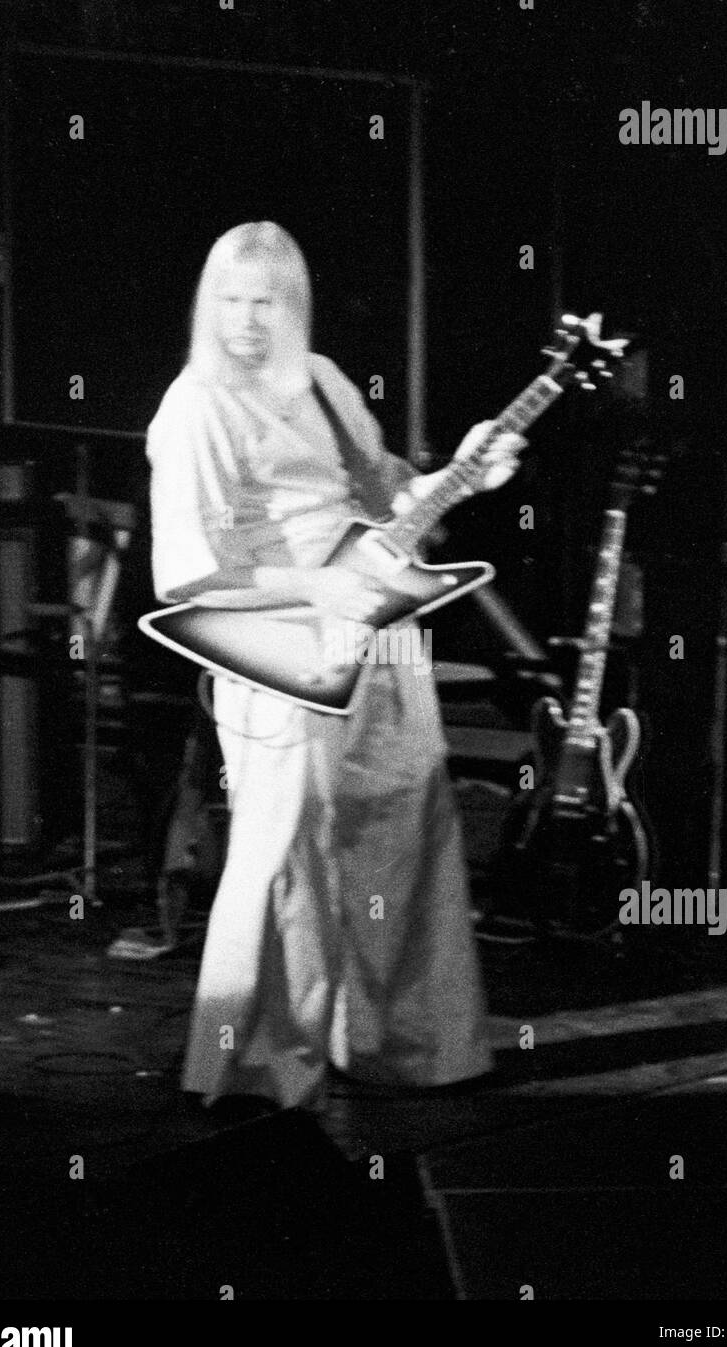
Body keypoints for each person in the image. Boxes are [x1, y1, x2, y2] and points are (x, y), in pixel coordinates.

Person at [147, 222, 525, 1112]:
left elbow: (391, 493)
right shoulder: (195, 405)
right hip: (280, 636)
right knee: (288, 842)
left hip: (379, 627)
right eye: (231, 301)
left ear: (295, 308)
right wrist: (320, 588)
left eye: (265, 302)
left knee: (405, 823)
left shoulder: (322, 382)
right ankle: (258, 1066)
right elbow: (187, 571)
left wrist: (467, 473)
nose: (246, 321)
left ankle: (411, 1046)